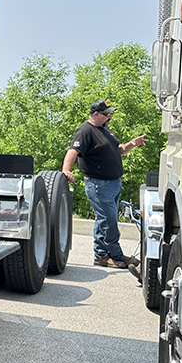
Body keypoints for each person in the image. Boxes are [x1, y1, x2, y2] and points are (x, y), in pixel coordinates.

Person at [62, 99, 146, 278]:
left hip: (113, 183)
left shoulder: (105, 129)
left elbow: (119, 150)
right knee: (109, 221)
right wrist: (66, 170)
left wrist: (133, 144)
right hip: (98, 184)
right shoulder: (85, 130)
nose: (110, 117)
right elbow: (73, 151)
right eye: (107, 114)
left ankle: (101, 256)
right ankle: (116, 256)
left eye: (110, 114)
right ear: (96, 114)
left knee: (104, 220)